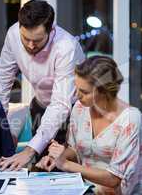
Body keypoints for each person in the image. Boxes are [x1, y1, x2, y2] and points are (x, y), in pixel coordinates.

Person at [0, 0, 85, 170]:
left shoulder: (66, 47)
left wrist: (29, 150)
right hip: (40, 106)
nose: (30, 45)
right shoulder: (13, 34)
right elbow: (2, 82)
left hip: (73, 113)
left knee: (62, 171)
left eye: (37, 40)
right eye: (26, 38)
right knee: (39, 171)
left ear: (51, 30)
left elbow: (60, 104)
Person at [36, 56, 142, 194]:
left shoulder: (130, 119)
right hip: (83, 189)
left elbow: (114, 179)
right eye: (77, 88)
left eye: (84, 92)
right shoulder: (80, 108)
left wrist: (66, 164)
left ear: (105, 91)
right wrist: (58, 158)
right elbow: (75, 149)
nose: (77, 96)